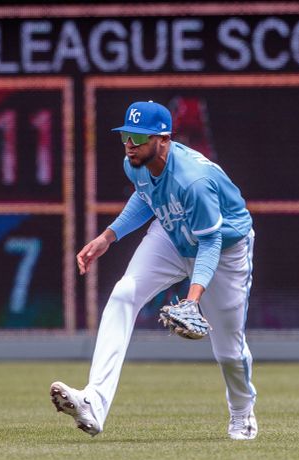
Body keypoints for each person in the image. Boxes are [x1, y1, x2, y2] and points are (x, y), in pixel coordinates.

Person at [50, 100, 258, 440]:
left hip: (224, 246)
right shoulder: (135, 164)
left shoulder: (194, 179)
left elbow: (210, 243)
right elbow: (145, 196)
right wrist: (109, 236)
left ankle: (241, 411)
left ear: (163, 139)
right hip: (172, 233)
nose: (129, 144)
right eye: (125, 136)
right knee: (123, 294)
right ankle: (94, 401)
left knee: (229, 351)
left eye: (138, 137)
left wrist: (192, 299)